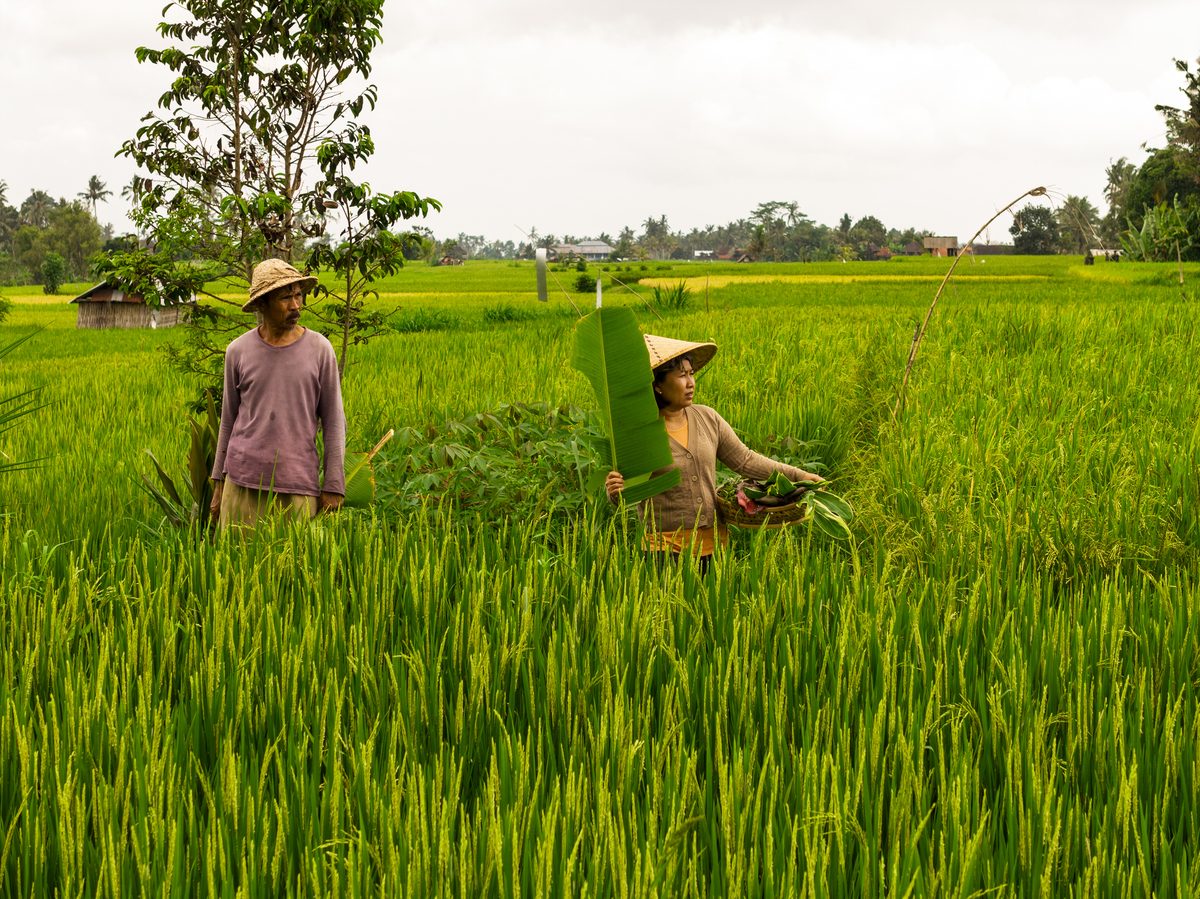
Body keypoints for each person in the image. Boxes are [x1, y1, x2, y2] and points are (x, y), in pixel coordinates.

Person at [605, 334, 822, 573]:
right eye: (681, 376)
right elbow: (624, 493)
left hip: (713, 545)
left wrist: (800, 476)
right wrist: (615, 492)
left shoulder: (707, 418)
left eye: (691, 374)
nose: (691, 383)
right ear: (657, 385)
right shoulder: (638, 434)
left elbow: (745, 460)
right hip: (665, 552)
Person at [210, 258, 346, 530]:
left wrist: (333, 484)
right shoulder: (237, 351)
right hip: (241, 483)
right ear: (262, 304)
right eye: (285, 297)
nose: (295, 305)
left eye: (298, 295)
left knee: (294, 569)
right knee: (237, 567)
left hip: (296, 484)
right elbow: (228, 421)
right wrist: (218, 485)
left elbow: (334, 422)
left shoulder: (320, 350)